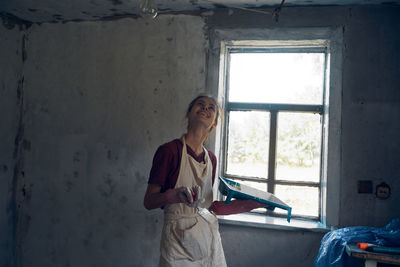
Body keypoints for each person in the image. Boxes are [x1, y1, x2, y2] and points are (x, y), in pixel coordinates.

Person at [144, 94, 266, 267]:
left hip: (208, 237)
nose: (205, 108)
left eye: (211, 108)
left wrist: (250, 204)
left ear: (215, 122)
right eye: (200, 104)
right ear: (188, 113)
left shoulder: (211, 159)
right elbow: (148, 201)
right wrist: (172, 196)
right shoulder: (169, 151)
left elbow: (208, 208)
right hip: (178, 242)